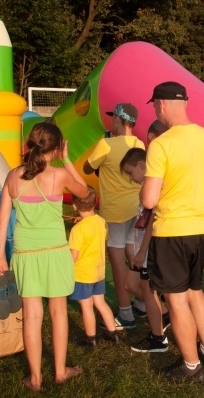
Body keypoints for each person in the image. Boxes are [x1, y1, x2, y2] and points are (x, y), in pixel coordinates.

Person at [0, 122, 90, 391]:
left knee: (32, 316)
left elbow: (1, 222)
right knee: (58, 312)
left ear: (29, 145)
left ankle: (35, 378)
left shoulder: (13, 177)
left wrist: (0, 257)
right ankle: (60, 371)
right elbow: (86, 193)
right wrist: (68, 160)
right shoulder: (60, 176)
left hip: (25, 253)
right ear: (57, 148)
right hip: (55, 251)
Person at [141, 81, 204, 383]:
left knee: (176, 300)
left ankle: (191, 365)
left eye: (154, 106)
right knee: (195, 290)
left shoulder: (161, 144)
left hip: (172, 231)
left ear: (161, 105)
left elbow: (149, 200)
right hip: (202, 228)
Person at [83, 103, 146, 329]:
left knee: (118, 262)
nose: (110, 122)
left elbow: (87, 168)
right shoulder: (139, 144)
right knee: (134, 256)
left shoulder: (105, 144)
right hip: (136, 209)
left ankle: (125, 312)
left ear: (120, 120)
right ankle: (142, 302)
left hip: (114, 212)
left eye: (113, 118)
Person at [121, 147, 170, 355]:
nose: (131, 179)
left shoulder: (153, 186)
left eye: (131, 173)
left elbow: (152, 221)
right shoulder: (146, 185)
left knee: (149, 291)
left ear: (142, 166)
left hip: (150, 249)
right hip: (144, 247)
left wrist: (141, 251)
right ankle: (164, 315)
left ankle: (158, 338)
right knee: (130, 284)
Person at [68, 187, 119, 347]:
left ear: (74, 206)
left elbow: (73, 256)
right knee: (100, 302)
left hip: (83, 274)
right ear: (94, 202)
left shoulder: (78, 229)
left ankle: (91, 338)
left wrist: (65, 269)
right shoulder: (101, 221)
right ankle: (112, 333)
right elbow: (102, 236)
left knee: (86, 305)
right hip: (99, 272)